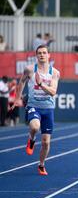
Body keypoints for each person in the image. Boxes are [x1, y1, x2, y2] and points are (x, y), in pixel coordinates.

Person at [13, 45, 60, 175]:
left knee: (46, 142)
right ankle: (31, 139)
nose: (42, 55)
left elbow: (53, 92)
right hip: (34, 106)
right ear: (36, 55)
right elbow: (22, 82)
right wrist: (17, 98)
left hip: (48, 109)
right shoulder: (29, 70)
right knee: (34, 126)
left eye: (44, 53)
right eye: (39, 53)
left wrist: (41, 84)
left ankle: (41, 165)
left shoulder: (54, 73)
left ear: (49, 55)